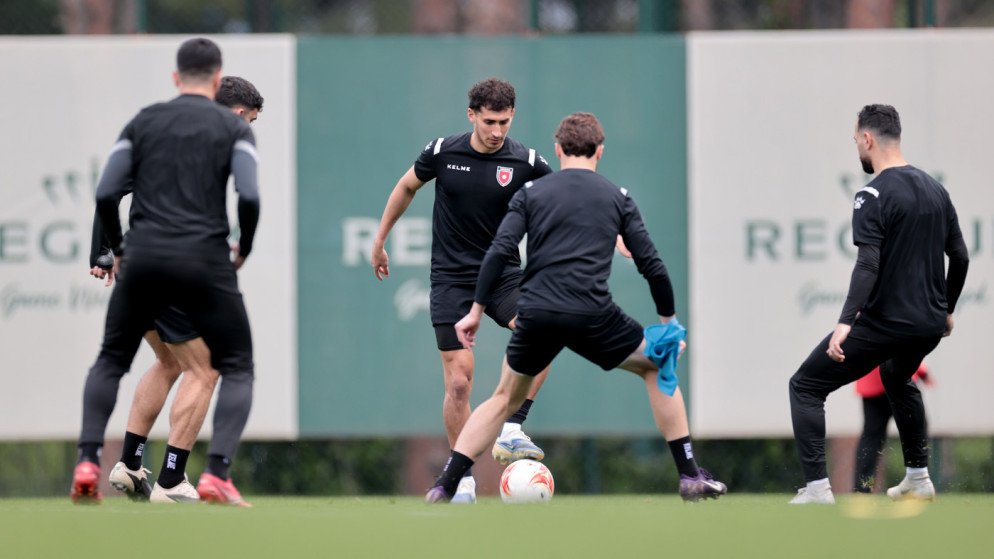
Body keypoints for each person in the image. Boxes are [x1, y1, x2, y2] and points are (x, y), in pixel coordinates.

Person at [425, 112, 727, 503]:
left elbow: (499, 252)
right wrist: (669, 324)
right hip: (592, 313)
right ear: (599, 151)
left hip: (537, 314)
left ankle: (445, 484)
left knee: (501, 398)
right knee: (656, 364)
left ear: (557, 150)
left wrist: (476, 310)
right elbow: (653, 266)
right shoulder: (617, 197)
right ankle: (689, 475)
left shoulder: (531, 194)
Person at [74, 37, 260, 504]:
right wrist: (244, 248)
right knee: (208, 367)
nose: (251, 126)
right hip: (189, 265)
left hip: (138, 264)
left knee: (165, 361)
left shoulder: (149, 124)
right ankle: (174, 478)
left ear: (179, 78)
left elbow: (107, 192)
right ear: (230, 102)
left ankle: (124, 462)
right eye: (251, 119)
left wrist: (108, 251)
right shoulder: (226, 132)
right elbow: (250, 197)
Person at [371, 78, 553, 503]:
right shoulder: (442, 152)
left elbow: (564, 197)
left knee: (544, 330)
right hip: (452, 278)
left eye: (504, 122)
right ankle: (464, 480)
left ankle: (512, 426)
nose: (496, 131)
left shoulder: (526, 160)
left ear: (513, 117)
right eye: (489, 122)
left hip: (504, 275)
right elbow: (406, 186)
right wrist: (379, 240)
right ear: (471, 115)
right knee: (458, 382)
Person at [788, 104, 969, 505]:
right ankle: (918, 477)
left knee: (805, 385)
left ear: (868, 139)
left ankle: (817, 489)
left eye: (856, 140)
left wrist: (845, 322)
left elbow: (868, 263)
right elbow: (960, 257)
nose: (856, 147)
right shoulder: (936, 190)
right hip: (927, 325)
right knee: (897, 377)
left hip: (887, 322)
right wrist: (947, 310)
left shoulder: (872, 193)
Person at [853, 361, 931, 493]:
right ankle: (919, 481)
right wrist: (922, 370)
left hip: (871, 379)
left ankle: (862, 489)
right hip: (898, 377)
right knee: (916, 431)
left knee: (871, 439)